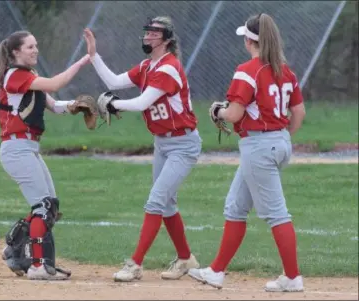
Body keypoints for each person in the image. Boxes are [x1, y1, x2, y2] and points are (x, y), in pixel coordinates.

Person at [187, 13, 306, 292]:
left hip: (259, 145)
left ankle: (293, 277)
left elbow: (235, 112)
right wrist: (282, 135)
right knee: (235, 207)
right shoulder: (285, 70)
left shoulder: (248, 69)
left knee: (277, 214)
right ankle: (216, 271)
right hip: (277, 142)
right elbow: (298, 112)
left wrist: (218, 111)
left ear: (249, 40)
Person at [83, 16, 202, 282]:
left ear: (167, 39)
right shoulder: (148, 66)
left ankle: (135, 264)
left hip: (183, 144)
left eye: (154, 33)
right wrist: (94, 56)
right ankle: (185, 259)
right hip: (163, 142)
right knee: (167, 204)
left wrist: (114, 105)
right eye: (147, 32)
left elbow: (141, 103)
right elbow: (113, 82)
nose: (147, 37)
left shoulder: (168, 67)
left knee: (156, 201)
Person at [0, 30, 90, 280]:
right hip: (16, 149)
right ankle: (38, 266)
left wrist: (75, 106)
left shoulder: (30, 76)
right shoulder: (14, 76)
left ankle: (14, 248)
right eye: (29, 47)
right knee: (43, 206)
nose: (35, 50)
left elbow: (55, 105)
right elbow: (56, 83)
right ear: (16, 52)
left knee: (51, 207)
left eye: (36, 45)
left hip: (28, 149)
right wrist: (83, 60)